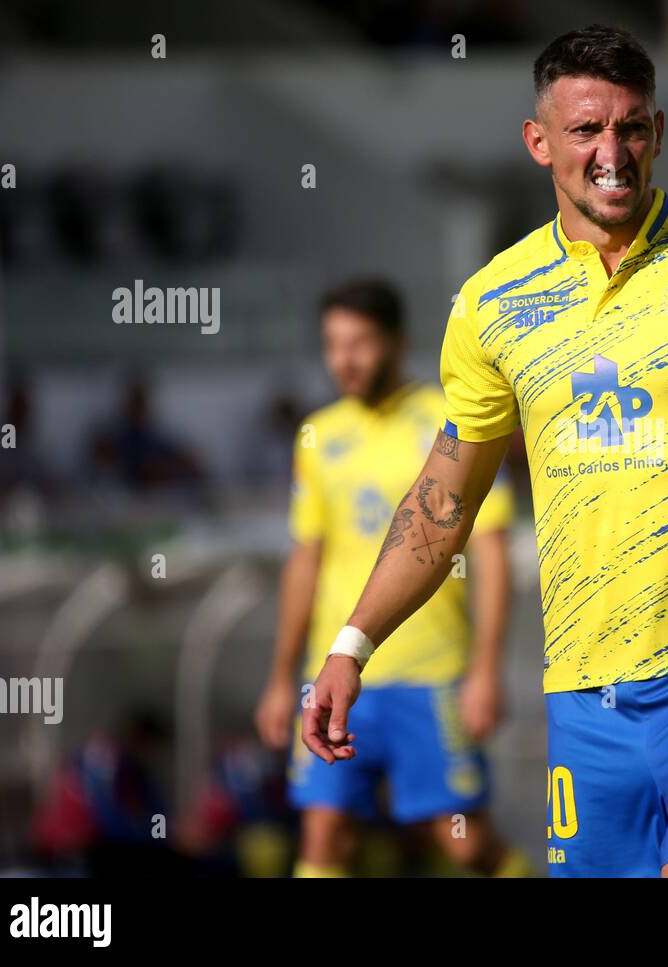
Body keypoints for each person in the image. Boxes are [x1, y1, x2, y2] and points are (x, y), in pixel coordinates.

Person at [304, 25, 668, 878]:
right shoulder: (491, 303)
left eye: (630, 128)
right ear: (539, 143)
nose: (610, 152)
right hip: (584, 686)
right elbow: (443, 500)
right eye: (586, 131)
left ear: (658, 132)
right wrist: (350, 646)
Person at [255, 277, 528, 877]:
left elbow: (490, 553)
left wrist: (486, 669)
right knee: (324, 831)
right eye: (333, 345)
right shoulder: (319, 435)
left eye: (360, 344)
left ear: (398, 343)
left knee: (462, 843)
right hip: (334, 673)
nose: (344, 361)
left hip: (431, 675)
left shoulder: (452, 421)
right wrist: (282, 678)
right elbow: (306, 560)